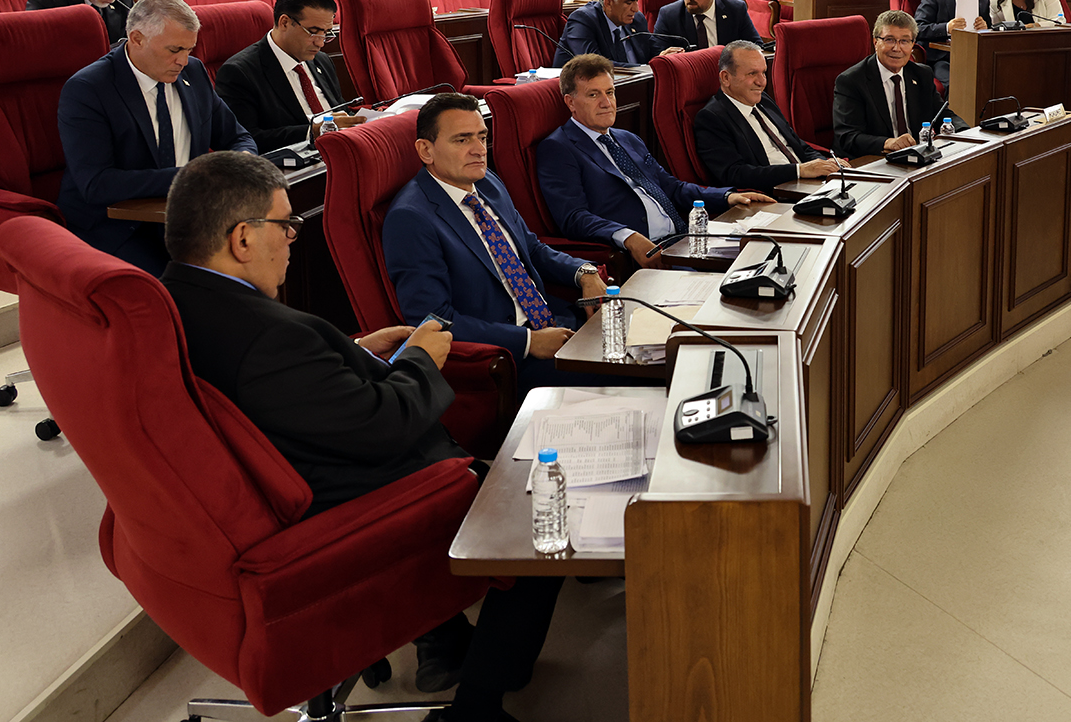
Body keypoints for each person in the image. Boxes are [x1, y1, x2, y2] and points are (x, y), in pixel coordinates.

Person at [160, 150, 563, 711]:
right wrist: (420, 359)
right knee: (539, 516)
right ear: (243, 239)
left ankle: (448, 641)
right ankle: (479, 704)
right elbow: (386, 427)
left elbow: (286, 388)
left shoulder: (175, 301)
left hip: (295, 465)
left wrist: (350, 353)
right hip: (360, 499)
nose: (292, 240)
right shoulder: (268, 336)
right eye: (286, 224)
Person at [383, 94, 608, 391]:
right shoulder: (411, 218)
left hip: (555, 321)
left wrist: (584, 272)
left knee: (651, 342)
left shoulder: (487, 181)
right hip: (508, 359)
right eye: (462, 140)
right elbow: (433, 319)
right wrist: (528, 341)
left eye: (482, 136)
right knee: (637, 373)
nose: (479, 149)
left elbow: (531, 248)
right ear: (426, 150)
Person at [56, 0, 256, 273]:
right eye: (175, 50)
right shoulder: (89, 89)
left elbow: (237, 137)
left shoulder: (194, 72)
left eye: (189, 49)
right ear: (137, 39)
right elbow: (96, 184)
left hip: (190, 216)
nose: (183, 60)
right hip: (121, 227)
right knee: (189, 281)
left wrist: (242, 162)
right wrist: (193, 178)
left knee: (260, 258)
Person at [538, 54, 768, 264]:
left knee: (762, 254)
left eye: (610, 92)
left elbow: (672, 188)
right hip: (643, 254)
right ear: (570, 102)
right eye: (593, 94)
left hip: (683, 240)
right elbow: (574, 218)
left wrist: (728, 197)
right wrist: (628, 237)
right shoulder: (558, 148)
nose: (606, 103)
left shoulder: (627, 138)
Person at [214, 0, 356, 151]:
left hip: (341, 149)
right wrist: (312, 131)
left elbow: (340, 110)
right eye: (313, 32)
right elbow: (247, 139)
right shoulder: (239, 73)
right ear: (285, 23)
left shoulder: (321, 60)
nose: (320, 43)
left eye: (326, 33)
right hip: (294, 162)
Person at [695, 40, 845, 190]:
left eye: (763, 73)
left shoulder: (763, 100)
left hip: (811, 184)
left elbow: (798, 145)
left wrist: (826, 164)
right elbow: (734, 174)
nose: (762, 82)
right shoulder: (712, 118)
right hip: (777, 194)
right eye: (752, 73)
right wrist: (799, 171)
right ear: (726, 78)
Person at [832, 10, 950, 157]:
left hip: (915, 157)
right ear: (875, 42)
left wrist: (969, 134)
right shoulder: (852, 81)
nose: (897, 48)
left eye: (904, 41)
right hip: (873, 159)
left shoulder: (921, 74)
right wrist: (888, 143)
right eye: (889, 40)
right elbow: (847, 137)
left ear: (912, 45)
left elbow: (943, 115)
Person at [553, 0, 666, 67]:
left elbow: (653, 50)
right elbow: (595, 66)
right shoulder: (583, 20)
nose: (636, 9)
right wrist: (643, 69)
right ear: (608, 3)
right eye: (629, 2)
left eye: (637, 1)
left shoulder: (636, 19)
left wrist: (664, 57)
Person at [914, 0, 991, 87]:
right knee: (956, 84)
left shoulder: (983, 2)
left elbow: (991, 33)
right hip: (942, 59)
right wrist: (946, 28)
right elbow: (917, 29)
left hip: (974, 57)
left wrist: (985, 29)